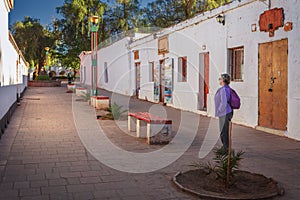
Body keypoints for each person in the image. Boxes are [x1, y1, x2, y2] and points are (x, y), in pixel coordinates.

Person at [214, 73, 233, 151]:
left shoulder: (224, 90)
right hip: (227, 112)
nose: (219, 80)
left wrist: (219, 110)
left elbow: (224, 102)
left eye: (220, 79)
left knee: (223, 131)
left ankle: (226, 148)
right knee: (224, 130)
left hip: (224, 113)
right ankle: (226, 147)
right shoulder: (227, 88)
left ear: (223, 80)